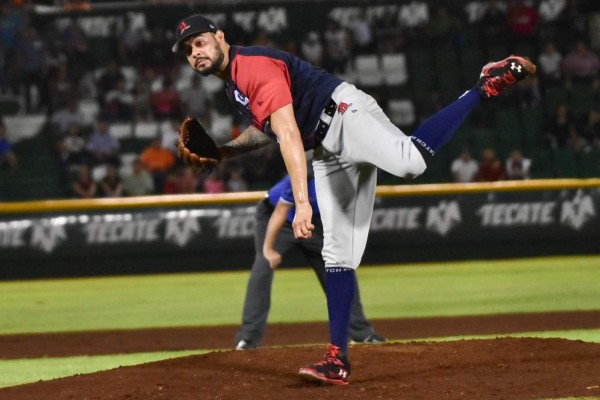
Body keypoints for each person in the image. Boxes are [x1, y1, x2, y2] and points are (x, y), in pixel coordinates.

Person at [172, 14, 536, 385]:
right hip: (327, 147)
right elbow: (268, 128)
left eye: (200, 42)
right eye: (187, 50)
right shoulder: (235, 82)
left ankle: (483, 87)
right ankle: (337, 359)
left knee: (409, 162)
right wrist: (224, 152)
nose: (195, 52)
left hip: (345, 114)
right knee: (337, 252)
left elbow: (288, 135)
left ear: (220, 37)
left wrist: (302, 202)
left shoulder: (252, 66)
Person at [235, 175, 385, 351]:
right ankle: (247, 339)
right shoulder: (308, 173)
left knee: (340, 268)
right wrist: (267, 249)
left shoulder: (349, 180)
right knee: (262, 268)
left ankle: (362, 333)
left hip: (314, 222)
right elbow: (281, 210)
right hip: (277, 217)